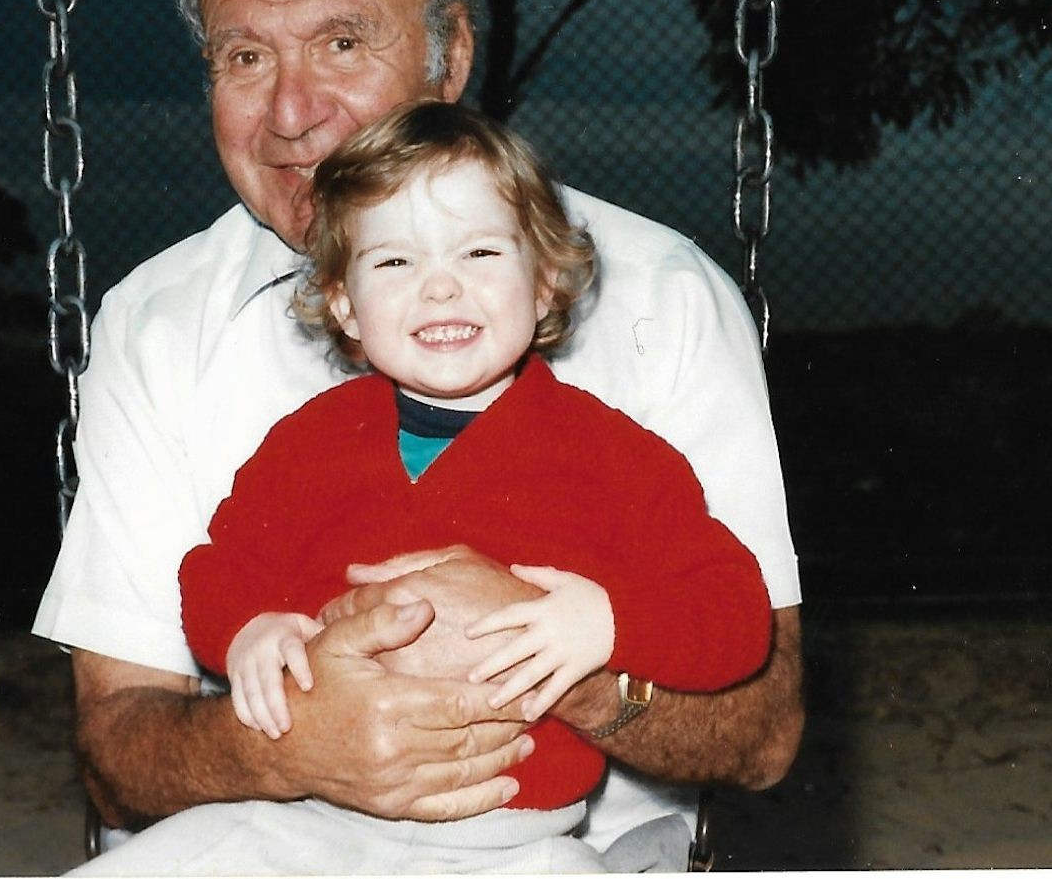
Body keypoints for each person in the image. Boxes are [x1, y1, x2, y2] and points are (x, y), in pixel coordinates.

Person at [33, 0, 803, 869]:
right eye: (246, 56)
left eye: (342, 41)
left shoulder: (656, 294)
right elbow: (120, 745)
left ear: (450, 59)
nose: (292, 111)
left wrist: (552, 655)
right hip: (286, 834)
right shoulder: (159, 322)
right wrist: (290, 739)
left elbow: (763, 729)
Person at [95, 101, 772, 874]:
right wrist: (247, 629)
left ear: (546, 278)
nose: (441, 289)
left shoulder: (617, 458)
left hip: (517, 836)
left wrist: (611, 624)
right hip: (301, 818)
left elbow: (735, 611)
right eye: (394, 262)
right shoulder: (307, 444)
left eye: (480, 253)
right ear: (345, 301)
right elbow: (219, 567)